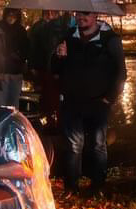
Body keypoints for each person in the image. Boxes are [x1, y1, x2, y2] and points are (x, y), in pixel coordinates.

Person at [53, 11, 126, 195]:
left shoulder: (110, 40)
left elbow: (121, 72)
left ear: (95, 15)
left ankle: (98, 186)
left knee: (98, 145)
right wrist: (59, 57)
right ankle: (71, 187)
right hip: (72, 102)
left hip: (98, 103)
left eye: (86, 14)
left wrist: (109, 98)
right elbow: (55, 70)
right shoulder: (68, 37)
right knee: (73, 145)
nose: (81, 17)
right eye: (78, 14)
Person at [28, 10, 66, 119]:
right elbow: (34, 47)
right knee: (49, 97)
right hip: (46, 68)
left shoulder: (57, 28)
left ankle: (50, 119)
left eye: (52, 13)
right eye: (48, 13)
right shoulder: (41, 28)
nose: (50, 15)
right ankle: (50, 119)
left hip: (49, 68)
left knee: (50, 97)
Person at [0, 7, 30, 110]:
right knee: (0, 104)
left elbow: (26, 49)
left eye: (14, 15)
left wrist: (19, 56)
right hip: (1, 72)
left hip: (15, 71)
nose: (11, 17)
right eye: (9, 14)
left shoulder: (21, 30)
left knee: (13, 104)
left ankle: (10, 119)